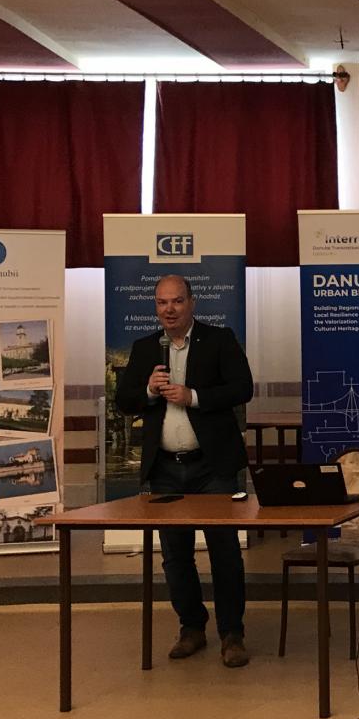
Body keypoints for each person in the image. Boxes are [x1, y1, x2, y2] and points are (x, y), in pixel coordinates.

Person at [116, 274, 254, 667]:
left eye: (177, 301)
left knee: (224, 552)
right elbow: (124, 401)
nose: (170, 309)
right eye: (162, 302)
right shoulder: (145, 348)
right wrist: (147, 390)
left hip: (212, 467)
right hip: (164, 469)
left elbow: (243, 388)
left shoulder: (219, 340)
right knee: (176, 556)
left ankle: (232, 634)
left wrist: (194, 396)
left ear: (192, 303)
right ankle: (192, 627)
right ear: (155, 307)